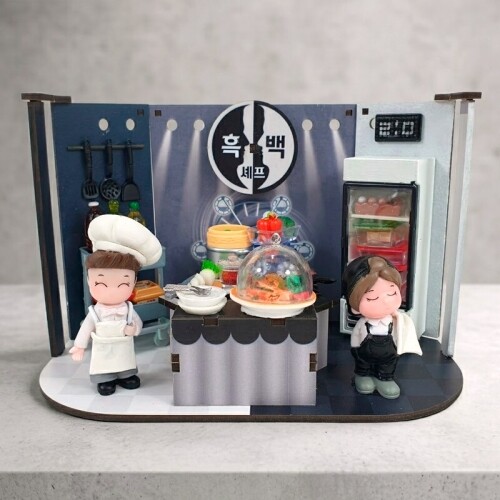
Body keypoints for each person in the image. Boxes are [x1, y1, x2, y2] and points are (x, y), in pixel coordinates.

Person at [69, 214, 162, 396]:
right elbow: (86, 328)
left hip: (123, 348)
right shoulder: (95, 312)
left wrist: (134, 329)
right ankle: (105, 379)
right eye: (100, 283)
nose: (112, 291)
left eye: (122, 284)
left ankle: (126, 375)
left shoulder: (128, 309)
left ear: (133, 283)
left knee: (125, 362)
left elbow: (137, 323)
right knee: (104, 365)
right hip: (103, 350)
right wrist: (79, 346)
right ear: (89, 281)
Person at [342, 255, 422, 399]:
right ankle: (363, 376)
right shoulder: (363, 324)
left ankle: (385, 378)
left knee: (387, 366)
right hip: (365, 353)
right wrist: (355, 349)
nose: (385, 301)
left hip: (388, 354)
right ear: (354, 306)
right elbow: (355, 338)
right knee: (363, 365)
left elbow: (400, 335)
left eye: (392, 293)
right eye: (372, 298)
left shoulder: (396, 321)